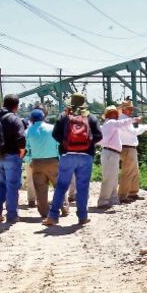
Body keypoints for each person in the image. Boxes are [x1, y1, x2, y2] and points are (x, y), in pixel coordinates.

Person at [43, 94, 101, 226]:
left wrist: (65, 144)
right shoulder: (90, 117)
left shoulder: (64, 116)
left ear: (71, 104)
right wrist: (88, 144)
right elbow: (99, 135)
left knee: (61, 186)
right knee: (82, 187)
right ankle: (82, 217)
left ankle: (52, 217)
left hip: (67, 155)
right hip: (86, 156)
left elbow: (55, 134)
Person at [25, 108, 68, 218]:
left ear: (32, 119)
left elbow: (27, 149)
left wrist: (29, 161)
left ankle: (44, 213)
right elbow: (59, 145)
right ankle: (64, 208)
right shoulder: (52, 128)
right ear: (44, 118)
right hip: (53, 161)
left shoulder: (28, 131)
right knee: (58, 186)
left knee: (40, 189)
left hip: (37, 162)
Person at [0, 95, 27, 223]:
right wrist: (21, 153)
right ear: (16, 106)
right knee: (12, 185)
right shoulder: (14, 119)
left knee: (1, 184)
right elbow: (21, 139)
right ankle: (11, 215)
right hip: (11, 156)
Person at [96, 105, 137, 208]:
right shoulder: (112, 123)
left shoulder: (107, 124)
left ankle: (113, 199)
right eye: (114, 113)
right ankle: (103, 200)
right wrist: (135, 119)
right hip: (111, 153)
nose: (116, 114)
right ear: (111, 114)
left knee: (113, 178)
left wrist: (122, 106)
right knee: (110, 178)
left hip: (111, 153)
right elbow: (123, 122)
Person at [117, 99, 147, 202]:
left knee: (134, 171)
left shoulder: (122, 119)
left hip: (127, 147)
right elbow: (134, 132)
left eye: (131, 109)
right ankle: (123, 196)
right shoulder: (124, 119)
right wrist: (145, 127)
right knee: (128, 172)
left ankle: (132, 192)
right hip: (128, 148)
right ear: (124, 109)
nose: (131, 111)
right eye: (129, 109)